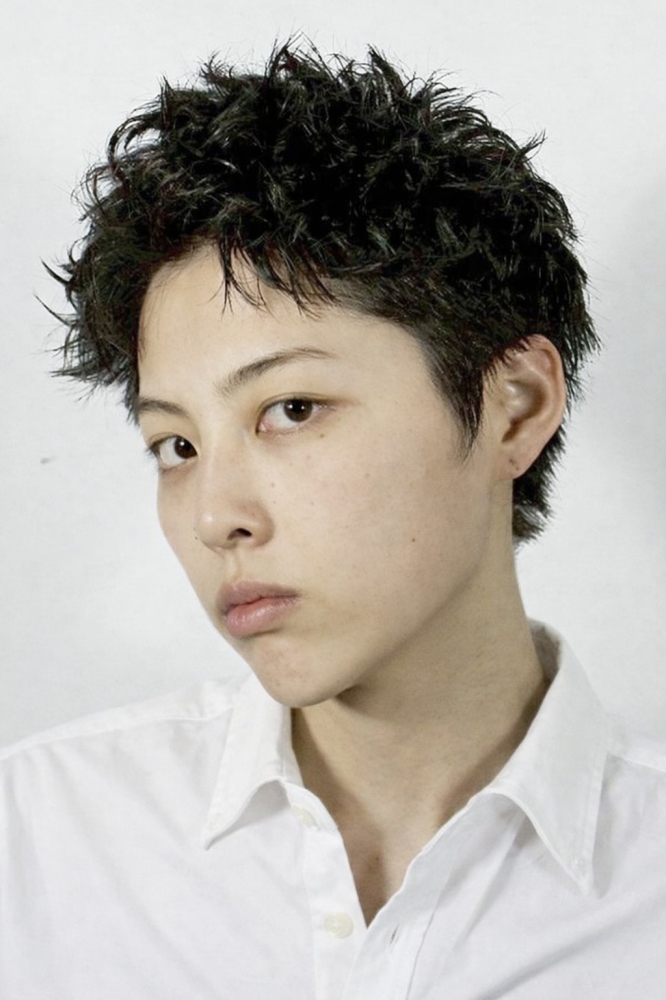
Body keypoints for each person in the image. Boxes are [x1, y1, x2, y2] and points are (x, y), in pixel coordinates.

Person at [1, 42, 665, 999]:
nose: (216, 517)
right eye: (176, 445)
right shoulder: (39, 840)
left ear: (515, 406)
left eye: (292, 409)